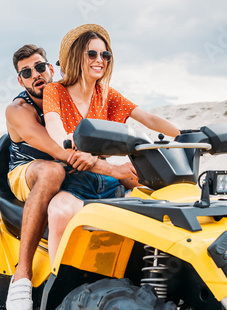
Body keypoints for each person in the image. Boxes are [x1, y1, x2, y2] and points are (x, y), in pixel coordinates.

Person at [5, 44, 138, 310]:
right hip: (28, 170)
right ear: (21, 80)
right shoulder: (18, 109)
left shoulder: (70, 96)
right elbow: (58, 151)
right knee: (53, 172)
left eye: (40, 67)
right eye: (27, 72)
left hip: (70, 170)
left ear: (50, 69)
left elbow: (97, 139)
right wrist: (115, 170)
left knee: (139, 182)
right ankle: (22, 274)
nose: (35, 75)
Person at [43, 24, 180, 268]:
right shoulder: (56, 90)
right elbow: (53, 124)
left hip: (106, 179)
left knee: (164, 205)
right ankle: (57, 288)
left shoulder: (106, 94)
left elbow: (147, 118)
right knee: (60, 213)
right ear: (75, 56)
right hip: (73, 178)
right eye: (92, 54)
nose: (101, 60)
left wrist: (185, 135)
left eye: (105, 55)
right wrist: (69, 140)